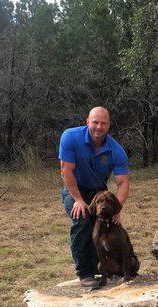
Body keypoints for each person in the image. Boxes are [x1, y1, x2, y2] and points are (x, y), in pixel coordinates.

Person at [59, 107, 129, 288]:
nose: (99, 127)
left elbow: (123, 183)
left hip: (99, 191)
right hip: (75, 188)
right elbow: (66, 170)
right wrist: (79, 200)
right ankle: (85, 273)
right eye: (95, 122)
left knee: (104, 225)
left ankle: (103, 267)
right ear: (87, 121)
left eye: (103, 123)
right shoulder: (70, 137)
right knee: (82, 220)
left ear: (109, 125)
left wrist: (117, 209)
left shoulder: (116, 150)